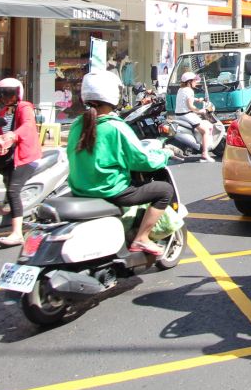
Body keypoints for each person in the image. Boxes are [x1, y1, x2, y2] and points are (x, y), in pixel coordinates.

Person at [67, 70, 175, 256]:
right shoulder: (115, 126)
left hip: (79, 188)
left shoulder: (77, 124)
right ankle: (141, 238)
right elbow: (142, 161)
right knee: (164, 191)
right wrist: (165, 154)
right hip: (111, 190)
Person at [0, 77, 42, 247]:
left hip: (24, 157)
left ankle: (17, 233)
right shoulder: (3, 112)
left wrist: (13, 135)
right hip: (7, 155)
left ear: (17, 94)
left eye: (9, 94)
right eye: (2, 94)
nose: (6, 98)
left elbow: (28, 125)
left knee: (13, 190)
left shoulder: (24, 108)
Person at [175, 71, 215, 162]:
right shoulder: (189, 91)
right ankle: (205, 154)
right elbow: (190, 106)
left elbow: (186, 99)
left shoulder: (181, 89)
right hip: (187, 115)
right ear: (189, 82)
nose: (196, 82)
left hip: (179, 115)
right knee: (205, 130)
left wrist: (199, 100)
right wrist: (200, 111)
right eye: (195, 80)